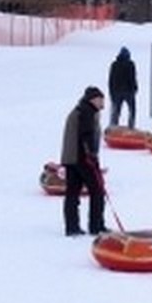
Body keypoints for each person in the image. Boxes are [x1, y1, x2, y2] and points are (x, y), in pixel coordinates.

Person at [60, 86, 108, 236]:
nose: (102, 103)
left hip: (70, 158)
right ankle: (96, 226)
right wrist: (91, 156)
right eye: (100, 99)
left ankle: (72, 227)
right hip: (82, 158)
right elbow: (86, 135)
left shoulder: (80, 110)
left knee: (72, 193)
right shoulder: (87, 112)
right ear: (93, 99)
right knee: (97, 191)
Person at [107, 46, 138, 128]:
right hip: (129, 91)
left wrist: (111, 92)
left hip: (117, 91)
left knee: (116, 110)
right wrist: (134, 88)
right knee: (132, 110)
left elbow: (111, 79)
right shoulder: (131, 64)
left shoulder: (114, 64)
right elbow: (132, 78)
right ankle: (131, 126)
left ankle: (113, 125)